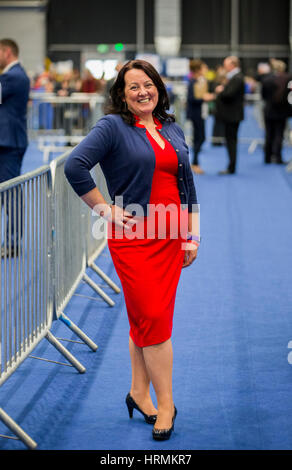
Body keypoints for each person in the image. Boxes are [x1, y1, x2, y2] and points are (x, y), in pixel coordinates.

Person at [64, 59, 200, 441]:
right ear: (122, 95)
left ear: (158, 87)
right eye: (133, 87)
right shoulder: (112, 127)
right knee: (155, 322)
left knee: (146, 318)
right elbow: (75, 166)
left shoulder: (171, 127)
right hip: (134, 240)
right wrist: (104, 208)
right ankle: (166, 404)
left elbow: (186, 185)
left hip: (171, 237)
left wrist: (192, 236)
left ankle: (139, 393)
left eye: (148, 84)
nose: (143, 92)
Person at [0, 38, 30, 257]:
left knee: (10, 193)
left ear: (6, 52)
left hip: (9, 143)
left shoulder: (13, 76)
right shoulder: (14, 75)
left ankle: (12, 243)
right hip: (7, 141)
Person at [214, 56, 245, 174]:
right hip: (231, 115)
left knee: (231, 141)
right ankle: (231, 166)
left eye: (226, 64)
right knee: (230, 141)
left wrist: (220, 90)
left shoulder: (237, 78)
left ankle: (231, 167)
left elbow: (229, 95)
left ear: (233, 65)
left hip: (233, 115)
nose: (224, 67)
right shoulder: (234, 77)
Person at [261, 59, 291, 165]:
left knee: (269, 133)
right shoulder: (288, 78)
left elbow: (263, 95)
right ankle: (277, 157)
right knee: (279, 134)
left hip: (269, 110)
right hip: (282, 111)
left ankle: (267, 157)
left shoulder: (266, 79)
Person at [186, 59, 212, 174]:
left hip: (201, 113)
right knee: (199, 138)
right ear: (197, 70)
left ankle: (195, 163)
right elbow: (191, 99)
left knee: (200, 138)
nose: (205, 70)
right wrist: (204, 98)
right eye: (203, 68)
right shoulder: (193, 82)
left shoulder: (200, 81)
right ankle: (195, 163)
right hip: (196, 114)